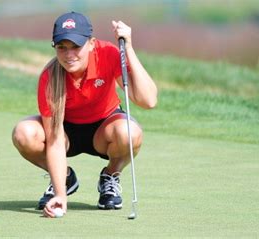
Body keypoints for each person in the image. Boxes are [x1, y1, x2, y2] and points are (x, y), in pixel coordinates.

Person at [12, 12, 157, 218]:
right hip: (65, 134)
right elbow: (54, 140)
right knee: (24, 133)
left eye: (76, 46)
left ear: (91, 43)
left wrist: (129, 48)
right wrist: (61, 196)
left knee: (129, 133)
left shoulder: (108, 53)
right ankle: (63, 179)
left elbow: (148, 100)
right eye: (62, 47)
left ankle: (110, 176)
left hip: (105, 128)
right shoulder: (50, 77)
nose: (69, 54)